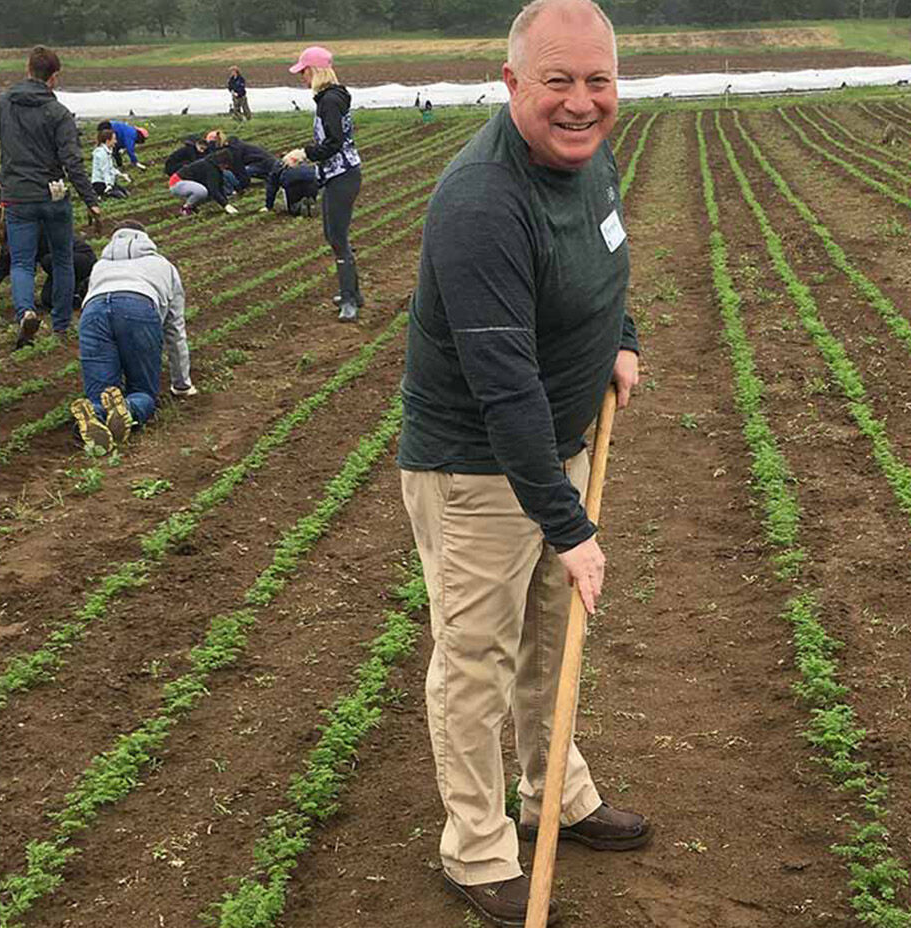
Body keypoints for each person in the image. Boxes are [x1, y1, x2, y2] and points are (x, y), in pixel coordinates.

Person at [397, 2, 647, 925]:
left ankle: (556, 794)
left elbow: (605, 259)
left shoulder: (590, 159)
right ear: (512, 84)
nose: (582, 102)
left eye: (598, 81)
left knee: (552, 636)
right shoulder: (482, 203)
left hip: (556, 441)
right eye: (558, 81)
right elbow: (503, 392)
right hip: (476, 467)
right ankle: (475, 848)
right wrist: (570, 527)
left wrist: (620, 337)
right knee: (478, 660)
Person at [0, 45, 101, 349]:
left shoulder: (1, 103)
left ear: (28, 69)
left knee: (22, 262)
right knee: (63, 260)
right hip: (54, 195)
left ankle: (26, 312)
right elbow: (72, 161)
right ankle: (61, 325)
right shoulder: (59, 112)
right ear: (54, 77)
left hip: (18, 196)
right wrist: (91, 200)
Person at [71, 221, 194, 453]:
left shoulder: (100, 266)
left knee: (100, 393)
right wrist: (181, 384)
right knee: (143, 391)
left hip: (93, 312)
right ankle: (128, 409)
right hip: (138, 306)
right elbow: (175, 330)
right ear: (145, 239)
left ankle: (95, 414)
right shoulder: (164, 266)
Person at [285, 46, 362, 322]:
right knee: (333, 235)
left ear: (314, 71)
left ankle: (349, 300)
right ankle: (353, 292)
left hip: (343, 175)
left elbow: (333, 143)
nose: (302, 77)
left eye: (303, 72)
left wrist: (303, 153)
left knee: (337, 237)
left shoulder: (329, 101)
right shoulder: (330, 98)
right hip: (337, 175)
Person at [0, 201, 96, 314]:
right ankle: (74, 292)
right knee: (48, 300)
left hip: (80, 259)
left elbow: (1, 268)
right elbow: (0, 270)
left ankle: (79, 288)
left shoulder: (18, 232)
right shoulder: (16, 228)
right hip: (63, 261)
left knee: (48, 262)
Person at [168, 148, 239, 216]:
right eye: (226, 165)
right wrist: (225, 205)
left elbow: (219, 187)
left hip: (187, 183)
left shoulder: (215, 168)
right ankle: (186, 208)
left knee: (208, 193)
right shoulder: (210, 168)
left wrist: (226, 203)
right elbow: (214, 190)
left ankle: (192, 207)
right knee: (202, 191)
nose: (226, 167)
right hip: (177, 182)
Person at [91, 128, 130, 199]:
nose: (116, 141)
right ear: (108, 141)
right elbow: (105, 170)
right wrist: (108, 185)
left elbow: (110, 168)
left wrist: (121, 175)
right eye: (114, 139)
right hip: (101, 183)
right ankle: (102, 196)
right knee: (120, 196)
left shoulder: (108, 152)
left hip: (108, 182)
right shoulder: (101, 153)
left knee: (126, 193)